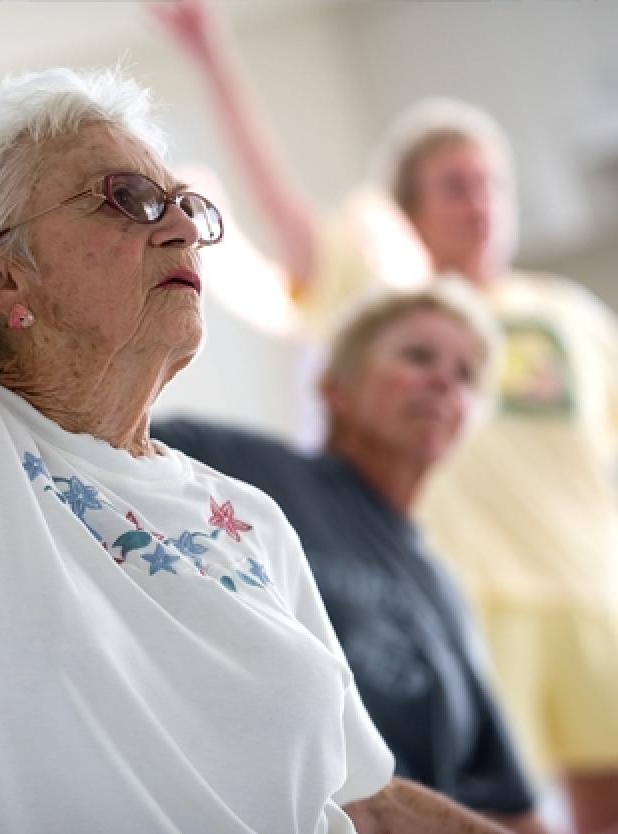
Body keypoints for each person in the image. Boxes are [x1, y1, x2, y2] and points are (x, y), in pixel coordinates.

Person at [0, 5, 522, 833]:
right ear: (0, 277)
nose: (185, 228)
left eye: (186, 204)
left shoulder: (255, 520)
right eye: (127, 198)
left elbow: (364, 799)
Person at [149, 3, 618, 832]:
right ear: (413, 209)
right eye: (455, 186)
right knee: (469, 797)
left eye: (491, 184)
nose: (480, 204)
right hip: (480, 599)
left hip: (595, 590)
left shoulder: (573, 315)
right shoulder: (392, 307)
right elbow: (287, 215)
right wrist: (212, 56)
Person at [155, 281, 547, 834]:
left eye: (466, 375)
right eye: (418, 356)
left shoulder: (443, 591)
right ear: (335, 386)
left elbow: (509, 800)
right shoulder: (235, 468)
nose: (444, 381)